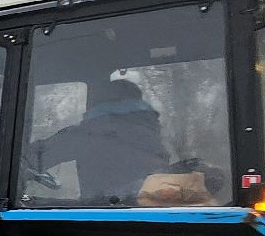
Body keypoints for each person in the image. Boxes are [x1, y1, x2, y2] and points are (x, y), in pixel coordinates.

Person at [27, 78, 168, 203]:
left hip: (104, 212)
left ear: (97, 103)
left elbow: (34, 157)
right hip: (153, 210)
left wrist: (19, 165)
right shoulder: (152, 129)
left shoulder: (89, 133)